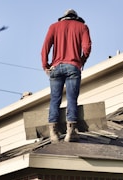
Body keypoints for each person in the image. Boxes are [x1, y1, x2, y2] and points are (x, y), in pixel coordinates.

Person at [41, 9, 92, 143]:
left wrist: (45, 66)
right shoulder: (82, 27)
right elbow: (86, 48)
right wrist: (81, 61)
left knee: (55, 99)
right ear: (76, 18)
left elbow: (45, 47)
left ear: (63, 17)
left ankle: (53, 132)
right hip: (73, 67)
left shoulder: (54, 27)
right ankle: (71, 131)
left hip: (56, 67)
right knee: (72, 99)